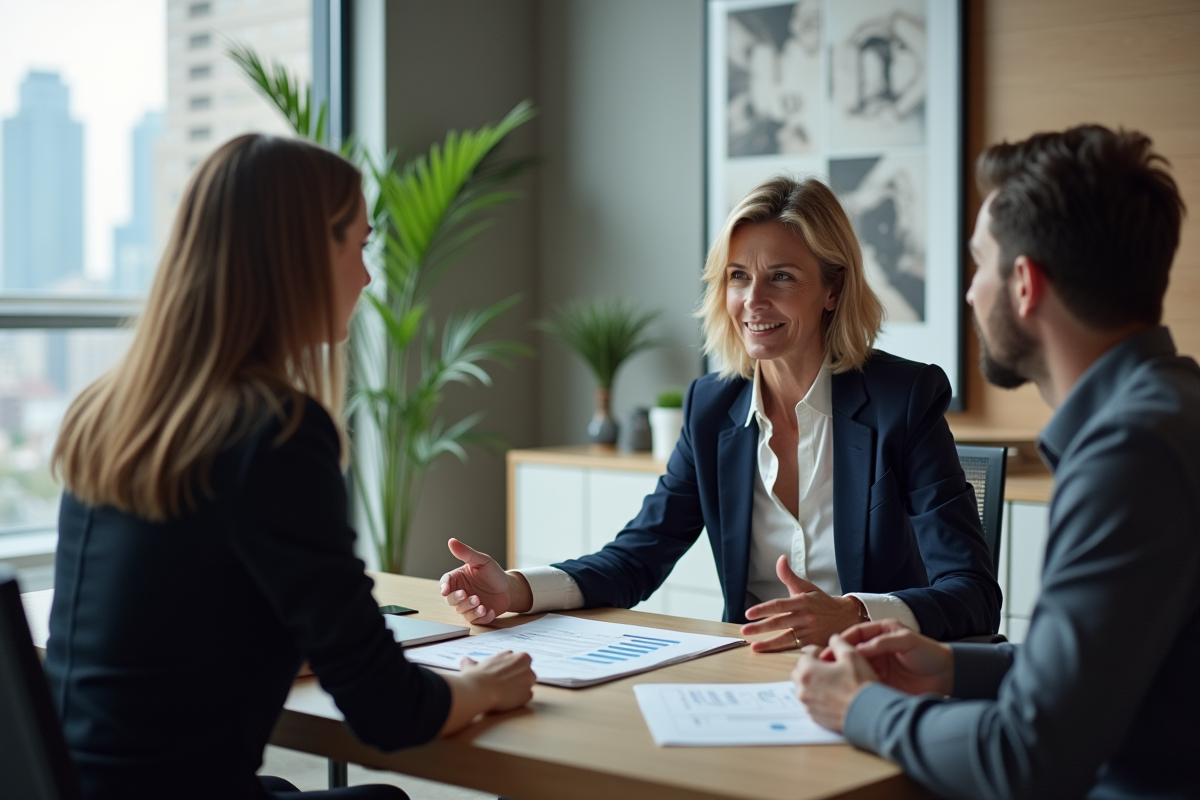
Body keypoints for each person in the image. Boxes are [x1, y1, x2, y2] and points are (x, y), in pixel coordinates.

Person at [43, 134, 536, 800]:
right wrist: (482, 686)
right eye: (357, 247)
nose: (366, 278)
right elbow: (387, 712)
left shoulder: (109, 414)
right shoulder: (273, 433)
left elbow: (171, 622)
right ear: (298, 253)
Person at [794, 125, 1198, 799]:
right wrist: (953, 667)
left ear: (1023, 283)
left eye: (978, 265)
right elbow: (1105, 673)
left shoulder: (1129, 456)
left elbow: (1027, 759)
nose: (969, 292)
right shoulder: (1172, 410)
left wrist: (858, 707)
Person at [441, 176, 1000, 650]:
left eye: (781, 276)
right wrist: (515, 589)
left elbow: (972, 594)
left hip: (874, 678)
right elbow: (636, 558)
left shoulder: (903, 399)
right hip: (746, 677)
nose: (753, 300)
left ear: (832, 289)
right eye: (738, 276)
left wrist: (853, 615)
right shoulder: (712, 409)